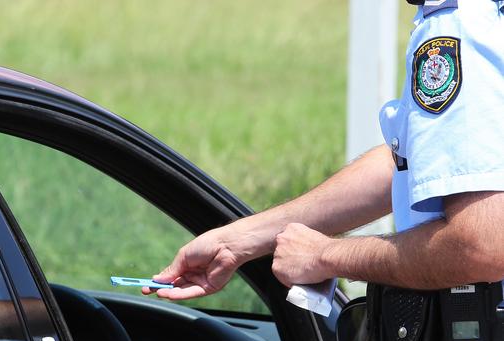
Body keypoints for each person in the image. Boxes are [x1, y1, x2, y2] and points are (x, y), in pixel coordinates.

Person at [143, 0, 504, 300]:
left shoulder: (463, 24)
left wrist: (325, 255)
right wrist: (238, 240)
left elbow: (480, 244)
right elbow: (420, 163)